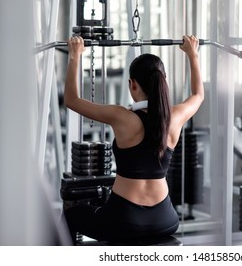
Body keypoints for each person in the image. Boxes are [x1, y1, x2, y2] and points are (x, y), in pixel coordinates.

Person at [63, 35, 203, 244]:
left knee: (70, 217)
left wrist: (75, 56)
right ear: (162, 81)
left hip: (125, 219)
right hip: (165, 219)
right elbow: (198, 95)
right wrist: (193, 55)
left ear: (132, 84)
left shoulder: (123, 117)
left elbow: (72, 100)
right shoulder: (175, 117)